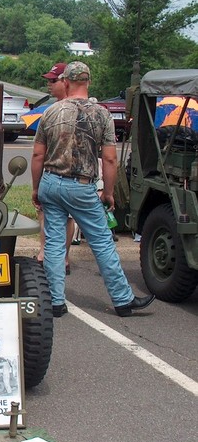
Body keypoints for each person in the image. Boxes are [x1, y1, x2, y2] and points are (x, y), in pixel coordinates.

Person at [31, 62, 155, 318]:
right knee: (101, 242)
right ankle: (122, 300)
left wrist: (36, 188)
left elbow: (37, 155)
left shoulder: (51, 112)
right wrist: (108, 192)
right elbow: (109, 159)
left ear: (65, 82)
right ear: (88, 82)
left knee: (53, 244)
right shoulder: (102, 114)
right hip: (81, 185)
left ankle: (56, 301)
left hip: (51, 182)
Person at [36, 62, 74, 274]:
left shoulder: (66, 110)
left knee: (62, 216)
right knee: (45, 214)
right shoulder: (52, 109)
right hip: (52, 172)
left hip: (63, 173)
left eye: (53, 80)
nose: (49, 85)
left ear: (65, 81)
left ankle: (60, 257)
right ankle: (47, 253)